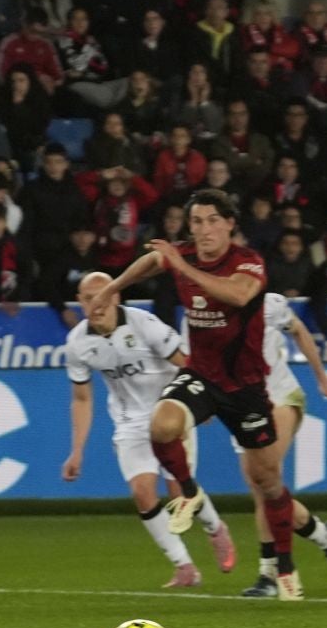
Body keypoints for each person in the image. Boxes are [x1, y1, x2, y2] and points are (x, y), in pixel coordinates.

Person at [83, 189, 305, 599]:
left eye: (211, 221)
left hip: (247, 388)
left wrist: (180, 263)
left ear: (229, 224)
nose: (202, 230)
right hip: (204, 376)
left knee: (268, 482)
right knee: (162, 425)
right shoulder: (181, 253)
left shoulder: (248, 262)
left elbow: (236, 295)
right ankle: (189, 492)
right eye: (196, 222)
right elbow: (153, 260)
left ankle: (286, 568)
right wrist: (111, 288)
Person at [62, 270, 236, 587]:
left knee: (178, 492)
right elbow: (82, 398)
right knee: (142, 493)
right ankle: (184, 567)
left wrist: (200, 400)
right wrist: (76, 451)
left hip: (170, 411)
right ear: (80, 302)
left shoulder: (144, 324)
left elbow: (185, 360)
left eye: (104, 296)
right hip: (129, 421)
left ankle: (215, 528)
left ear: (116, 296)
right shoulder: (77, 344)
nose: (97, 304)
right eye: (89, 299)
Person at [234, 290, 327, 597]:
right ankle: (326, 537)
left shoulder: (269, 303)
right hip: (241, 408)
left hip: (281, 396)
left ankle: (269, 575)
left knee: (266, 482)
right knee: (264, 491)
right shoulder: (205, 311)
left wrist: (322, 378)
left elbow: (299, 330)